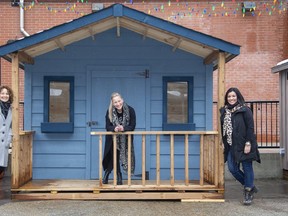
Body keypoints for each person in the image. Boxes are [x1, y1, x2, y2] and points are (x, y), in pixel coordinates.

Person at [220, 87, 261, 205]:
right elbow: (224, 129)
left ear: (238, 97)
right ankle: (250, 185)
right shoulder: (224, 111)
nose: (231, 98)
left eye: (233, 96)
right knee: (232, 168)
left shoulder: (245, 110)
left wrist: (248, 143)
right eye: (229, 96)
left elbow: (250, 127)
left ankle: (248, 192)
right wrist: (224, 142)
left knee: (247, 167)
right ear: (226, 98)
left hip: (245, 144)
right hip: (231, 145)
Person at [102, 92, 136, 185]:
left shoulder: (130, 110)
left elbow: (132, 126)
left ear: (122, 100)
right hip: (113, 139)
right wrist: (115, 128)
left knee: (117, 156)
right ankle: (118, 175)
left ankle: (107, 174)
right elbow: (108, 126)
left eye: (119, 101)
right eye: (115, 102)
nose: (118, 104)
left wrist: (123, 128)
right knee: (114, 156)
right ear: (112, 103)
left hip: (125, 139)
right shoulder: (109, 111)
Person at [0, 86, 13, 180]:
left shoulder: (12, 109)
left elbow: (11, 126)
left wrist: (9, 139)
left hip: (4, 142)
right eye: (2, 93)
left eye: (7, 93)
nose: (5, 95)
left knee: (2, 167)